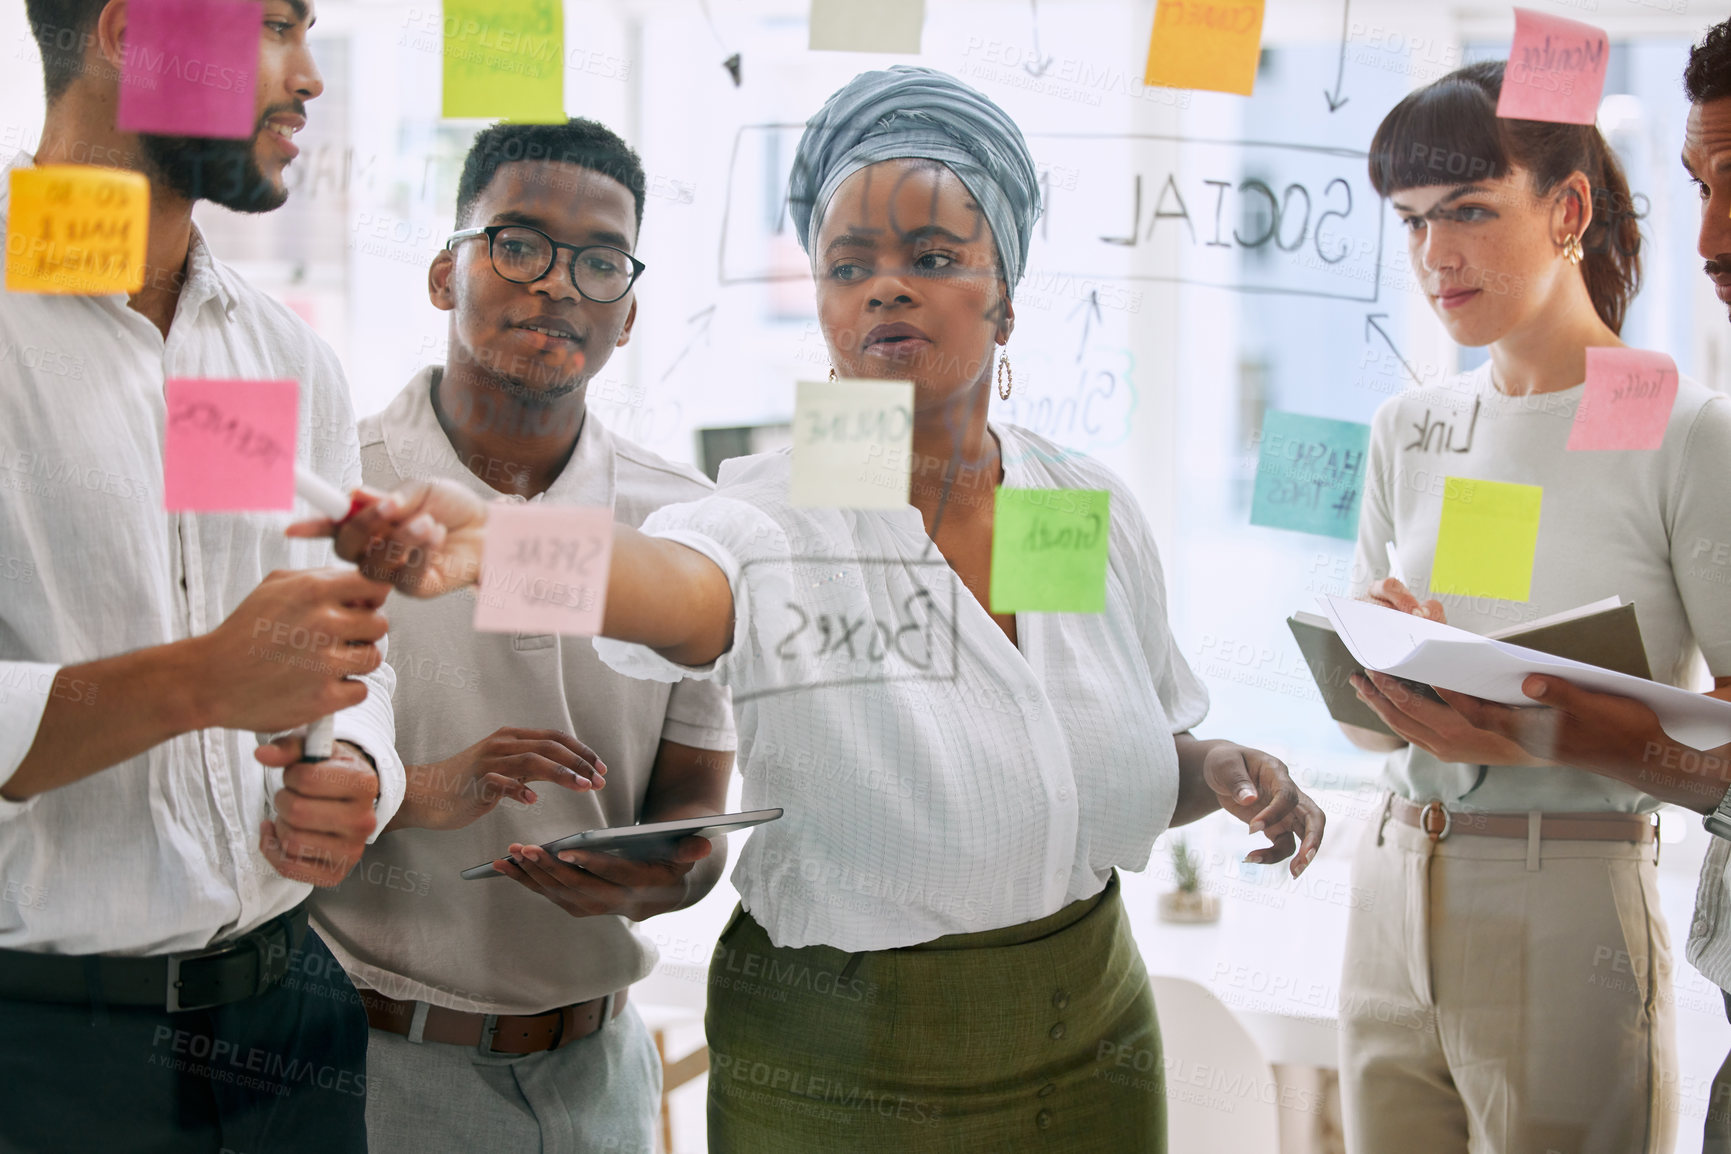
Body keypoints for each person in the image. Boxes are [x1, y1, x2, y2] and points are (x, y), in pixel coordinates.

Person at [319, 65, 1326, 1153]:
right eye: (851, 265)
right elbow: (687, 588)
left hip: (1090, 1030)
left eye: (933, 259)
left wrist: (1214, 766)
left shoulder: (1066, 504)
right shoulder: (798, 492)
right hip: (846, 1061)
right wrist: (502, 549)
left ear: (1008, 295)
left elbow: (1067, 759)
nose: (886, 288)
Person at [0, 3, 548, 1150]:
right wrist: (201, 680)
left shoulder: (280, 354)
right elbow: (230, 662)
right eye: (270, 25)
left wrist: (358, 763)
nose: (307, 78)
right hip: (41, 1051)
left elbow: (346, 644)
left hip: (289, 1020)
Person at [309, 118, 737, 1154]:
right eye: (516, 242)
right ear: (442, 274)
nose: (556, 283)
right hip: (373, 1067)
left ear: (628, 315)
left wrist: (667, 872)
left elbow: (696, 802)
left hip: (602, 1078)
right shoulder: (335, 490)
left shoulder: (684, 525)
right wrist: (418, 785)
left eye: (598, 261)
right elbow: (243, 785)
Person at [1333, 59, 1731, 1154]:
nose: (1434, 255)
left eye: (1468, 210)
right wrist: (1389, 672)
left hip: (1569, 889)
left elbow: (1729, 740)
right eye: (1413, 221)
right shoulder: (1410, 425)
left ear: (1568, 209)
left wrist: (1531, 726)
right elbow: (1362, 723)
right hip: (1390, 877)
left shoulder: (1678, 423)